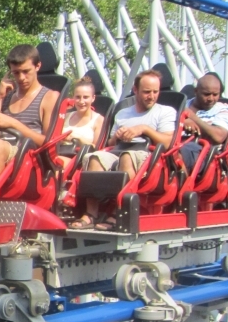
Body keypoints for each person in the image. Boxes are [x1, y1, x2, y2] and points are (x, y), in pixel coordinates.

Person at [70, 70, 176, 230]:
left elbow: (167, 142)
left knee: (127, 157)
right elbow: (110, 142)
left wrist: (144, 129)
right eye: (147, 92)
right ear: (135, 90)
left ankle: (119, 212)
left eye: (155, 92)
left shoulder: (165, 112)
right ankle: (92, 213)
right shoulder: (122, 113)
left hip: (147, 154)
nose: (152, 96)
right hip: (118, 150)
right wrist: (118, 136)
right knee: (95, 157)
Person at [0, 45, 59, 184]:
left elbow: (49, 143)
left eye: (26, 71)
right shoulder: (6, 97)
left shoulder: (49, 97)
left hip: (29, 159)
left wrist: (13, 123)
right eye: (16, 73)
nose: (21, 78)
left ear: (38, 66)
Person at [178, 72, 228, 172]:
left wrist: (192, 116)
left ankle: (181, 185)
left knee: (176, 153)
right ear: (196, 91)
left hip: (203, 153)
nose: (211, 98)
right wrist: (182, 121)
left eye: (215, 94)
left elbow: (218, 136)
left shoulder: (223, 109)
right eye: (206, 94)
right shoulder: (182, 105)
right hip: (175, 143)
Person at [62, 77, 104, 149]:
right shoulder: (65, 116)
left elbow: (98, 149)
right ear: (73, 97)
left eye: (85, 97)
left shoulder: (99, 120)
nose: (81, 101)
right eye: (78, 97)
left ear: (93, 98)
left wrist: (79, 139)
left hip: (82, 157)